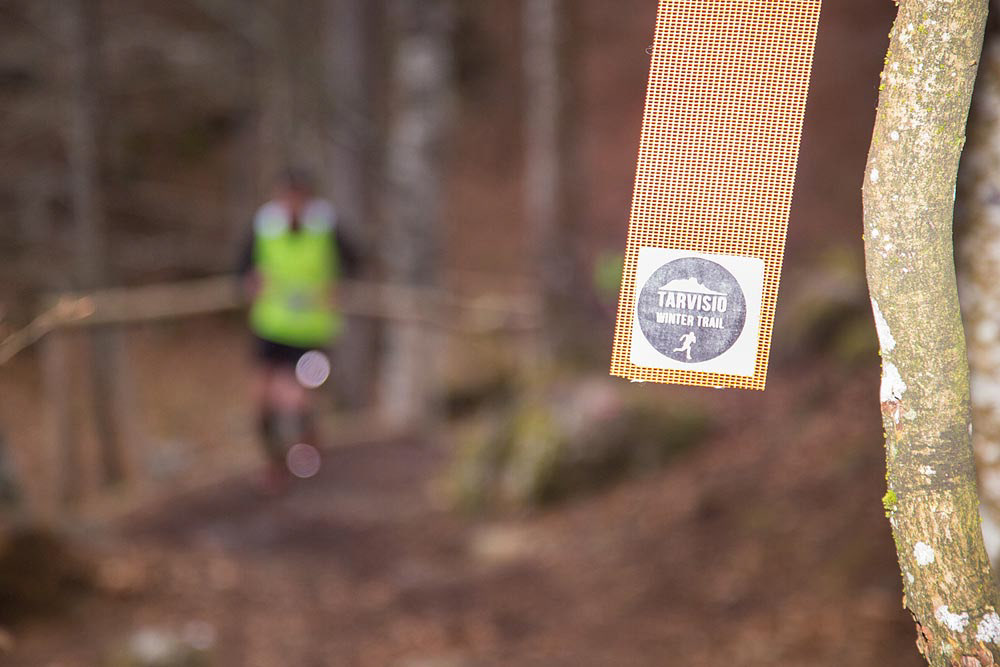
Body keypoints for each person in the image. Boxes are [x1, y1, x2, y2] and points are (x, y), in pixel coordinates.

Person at [238, 169, 358, 493]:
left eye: (297, 198)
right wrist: (250, 283)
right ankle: (275, 463)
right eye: (286, 197)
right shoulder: (264, 226)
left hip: (312, 330)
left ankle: (303, 454)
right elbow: (242, 269)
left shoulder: (325, 226)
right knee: (261, 399)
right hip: (270, 327)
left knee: (295, 398)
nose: (291, 204)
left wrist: (337, 287)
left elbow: (355, 261)